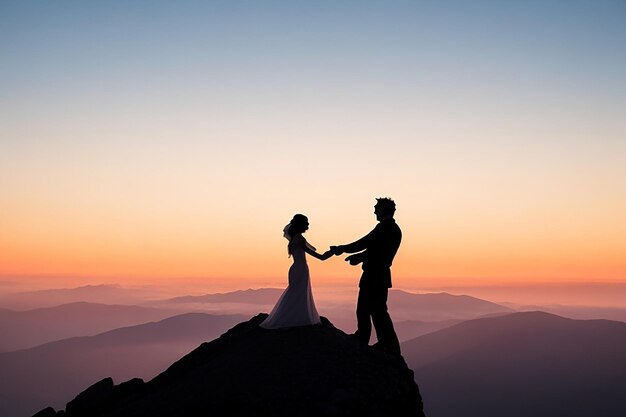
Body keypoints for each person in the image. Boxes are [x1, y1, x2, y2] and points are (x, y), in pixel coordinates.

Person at [330, 198, 402, 355]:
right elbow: (374, 249)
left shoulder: (385, 228)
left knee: (368, 309)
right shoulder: (391, 228)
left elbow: (365, 244)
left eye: (376, 208)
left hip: (374, 275)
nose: (374, 211)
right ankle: (386, 344)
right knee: (377, 310)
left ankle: (369, 339)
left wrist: (342, 249)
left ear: (383, 209)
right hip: (379, 274)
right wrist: (357, 257)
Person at [260, 214, 333, 329]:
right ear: (301, 224)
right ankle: (295, 318)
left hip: (296, 268)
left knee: (296, 292)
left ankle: (294, 317)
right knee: (298, 293)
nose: (308, 224)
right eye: (306, 222)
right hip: (301, 268)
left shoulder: (295, 238)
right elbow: (320, 257)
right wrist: (333, 252)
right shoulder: (299, 238)